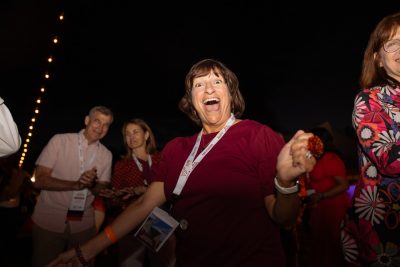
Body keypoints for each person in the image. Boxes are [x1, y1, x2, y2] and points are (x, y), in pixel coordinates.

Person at [47, 58, 317, 267]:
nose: (208, 88)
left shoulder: (258, 136)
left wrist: (285, 182)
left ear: (231, 94)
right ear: (192, 101)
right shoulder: (177, 149)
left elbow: (284, 217)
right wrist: (86, 251)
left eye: (217, 81)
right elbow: (144, 205)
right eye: (198, 84)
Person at [340, 12, 400, 266]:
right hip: (385, 230)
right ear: (378, 59)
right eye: (393, 44)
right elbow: (391, 160)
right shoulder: (371, 100)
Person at [31, 105, 114, 267]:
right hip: (49, 220)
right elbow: (40, 180)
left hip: (83, 225)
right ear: (86, 120)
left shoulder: (107, 154)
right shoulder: (60, 141)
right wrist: (76, 185)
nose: (101, 128)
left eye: (106, 125)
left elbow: (100, 189)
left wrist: (92, 184)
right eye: (97, 121)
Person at [101, 118, 175, 267]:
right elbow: (115, 200)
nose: (131, 137)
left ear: (146, 135)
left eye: (135, 132)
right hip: (132, 223)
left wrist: (144, 191)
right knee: (130, 263)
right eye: (127, 134)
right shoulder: (122, 165)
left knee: (162, 263)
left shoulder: (161, 159)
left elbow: (172, 189)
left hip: (159, 221)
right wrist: (115, 196)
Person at [300, 127, 349, 267]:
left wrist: (321, 195)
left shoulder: (330, 158)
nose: (309, 143)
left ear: (321, 141)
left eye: (312, 140)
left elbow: (344, 185)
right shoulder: (316, 158)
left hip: (332, 208)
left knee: (332, 244)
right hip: (319, 207)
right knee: (320, 243)